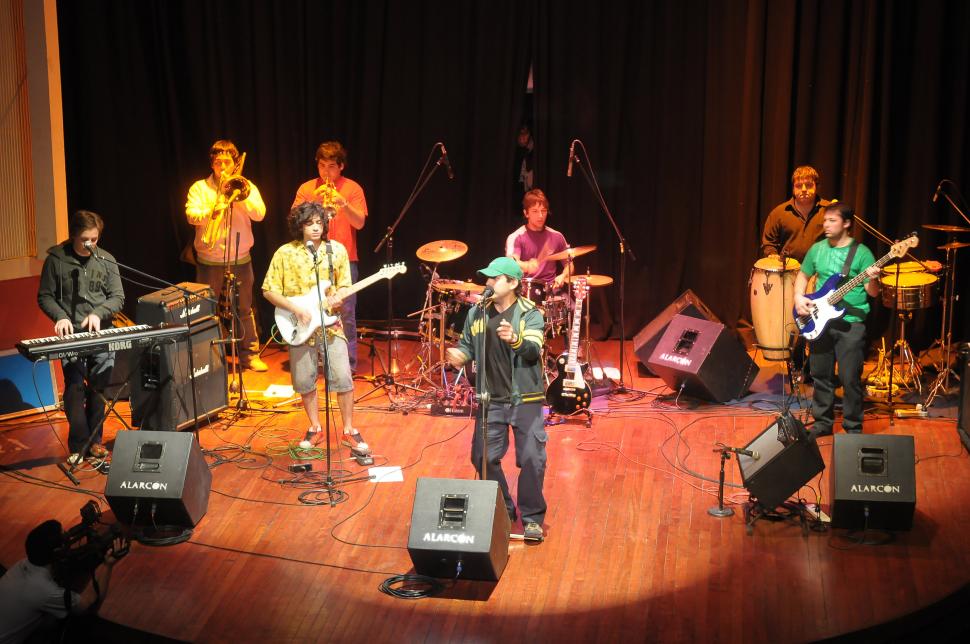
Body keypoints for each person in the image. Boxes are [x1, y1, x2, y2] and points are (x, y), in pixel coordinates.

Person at [445, 257, 548, 542]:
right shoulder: (477, 312)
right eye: (487, 278)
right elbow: (467, 345)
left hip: (525, 398)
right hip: (491, 398)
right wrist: (460, 355)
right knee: (482, 457)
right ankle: (503, 508)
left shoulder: (530, 313)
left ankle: (532, 518)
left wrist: (515, 339)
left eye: (495, 278)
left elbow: (533, 350)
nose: (488, 283)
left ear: (513, 283)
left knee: (532, 459)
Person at [262, 201, 370, 455]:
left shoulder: (337, 250)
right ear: (299, 226)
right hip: (299, 325)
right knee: (304, 381)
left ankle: (349, 429)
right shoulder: (285, 253)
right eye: (309, 223)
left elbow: (344, 285)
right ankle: (314, 426)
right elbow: (268, 290)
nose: (315, 228)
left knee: (343, 378)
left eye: (319, 223)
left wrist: (339, 297)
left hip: (331, 325)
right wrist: (296, 309)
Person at [37, 210, 124, 464]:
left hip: (101, 333)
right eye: (85, 239)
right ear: (73, 235)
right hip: (72, 334)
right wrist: (60, 316)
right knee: (75, 389)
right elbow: (45, 296)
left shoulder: (106, 260)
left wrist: (98, 313)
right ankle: (79, 443)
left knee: (98, 389)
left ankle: (94, 442)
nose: (90, 245)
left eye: (94, 239)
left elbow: (118, 297)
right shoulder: (56, 260)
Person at [794, 203, 881, 437]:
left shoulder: (862, 253)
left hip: (851, 322)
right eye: (825, 220)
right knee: (820, 374)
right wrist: (798, 297)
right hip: (821, 320)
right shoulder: (817, 249)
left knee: (849, 377)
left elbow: (873, 293)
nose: (826, 225)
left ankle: (853, 427)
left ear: (847, 223)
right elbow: (803, 275)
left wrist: (873, 279)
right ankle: (823, 423)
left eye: (832, 220)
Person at [185, 139, 268, 372]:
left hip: (241, 258)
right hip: (209, 260)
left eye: (227, 162)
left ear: (235, 164)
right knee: (207, 311)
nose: (223, 167)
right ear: (212, 163)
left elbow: (260, 214)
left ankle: (249, 355)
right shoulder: (199, 188)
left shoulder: (246, 185)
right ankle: (209, 358)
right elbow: (191, 215)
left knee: (244, 309)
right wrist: (214, 207)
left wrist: (240, 195)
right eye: (218, 162)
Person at [292, 141, 367, 372]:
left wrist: (343, 203)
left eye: (332, 166)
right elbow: (293, 221)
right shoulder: (307, 188)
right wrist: (312, 202)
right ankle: (315, 363)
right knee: (313, 310)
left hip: (345, 260)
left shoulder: (353, 188)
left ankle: (347, 365)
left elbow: (359, 223)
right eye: (322, 165)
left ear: (341, 166)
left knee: (346, 313)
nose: (326, 172)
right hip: (311, 259)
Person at [0, 520, 115, 643]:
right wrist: (108, 564)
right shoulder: (45, 590)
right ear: (57, 551)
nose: (68, 538)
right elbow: (87, 603)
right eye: (64, 536)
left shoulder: (21, 564)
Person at [505, 189, 572, 302]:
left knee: (572, 307)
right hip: (525, 291)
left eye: (543, 211)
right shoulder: (516, 237)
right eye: (535, 211)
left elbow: (569, 264)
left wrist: (563, 275)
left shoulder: (557, 236)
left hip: (552, 290)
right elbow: (511, 263)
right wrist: (526, 265)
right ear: (526, 213)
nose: (540, 216)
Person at [761, 165, 836, 260]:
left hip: (820, 268)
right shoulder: (778, 213)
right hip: (787, 268)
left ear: (817, 187)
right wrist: (772, 254)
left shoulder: (830, 210)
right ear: (793, 188)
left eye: (808, 185)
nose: (804, 189)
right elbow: (769, 243)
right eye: (799, 186)